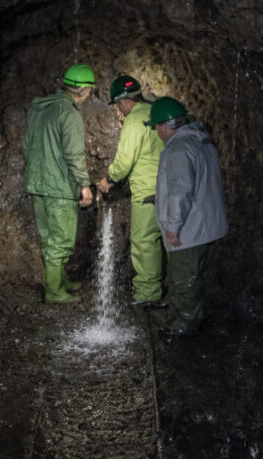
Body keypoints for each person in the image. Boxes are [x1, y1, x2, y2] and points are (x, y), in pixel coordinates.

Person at [150, 97, 228, 336]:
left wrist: (172, 226)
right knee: (193, 275)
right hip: (205, 223)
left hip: (190, 228)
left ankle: (183, 324)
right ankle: (186, 313)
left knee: (184, 278)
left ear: (164, 126)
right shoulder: (201, 141)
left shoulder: (179, 149)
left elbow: (180, 191)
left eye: (156, 127)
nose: (156, 132)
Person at [23, 63, 95, 303]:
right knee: (61, 240)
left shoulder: (38, 109)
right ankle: (54, 291)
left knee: (49, 238)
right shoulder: (69, 114)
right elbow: (73, 155)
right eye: (90, 91)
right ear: (83, 90)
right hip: (59, 187)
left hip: (38, 184)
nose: (89, 95)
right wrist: (84, 185)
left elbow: (27, 147)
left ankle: (60, 281)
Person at [97, 76, 166, 308]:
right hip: (170, 188)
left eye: (118, 104)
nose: (120, 109)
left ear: (124, 101)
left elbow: (125, 161)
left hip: (147, 191)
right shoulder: (158, 111)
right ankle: (169, 291)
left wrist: (109, 179)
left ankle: (148, 293)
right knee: (168, 242)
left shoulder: (135, 119)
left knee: (144, 241)